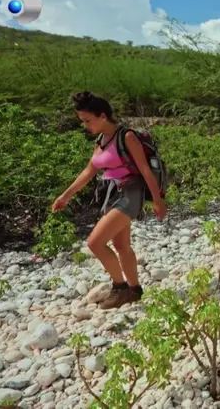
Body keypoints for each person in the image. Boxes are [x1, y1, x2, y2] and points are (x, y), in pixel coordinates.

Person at [52, 91, 166, 309]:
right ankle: (135, 290)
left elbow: (144, 170)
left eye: (87, 120)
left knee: (95, 242)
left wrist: (158, 200)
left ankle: (120, 288)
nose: (85, 125)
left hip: (130, 194)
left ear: (102, 116)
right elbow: (88, 172)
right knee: (121, 245)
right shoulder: (101, 141)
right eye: (82, 121)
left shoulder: (126, 137)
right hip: (111, 195)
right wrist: (65, 196)